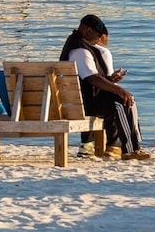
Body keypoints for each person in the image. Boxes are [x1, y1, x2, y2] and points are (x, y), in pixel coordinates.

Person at [61, 15, 149, 160]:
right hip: (84, 104)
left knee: (124, 100)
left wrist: (109, 80)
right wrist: (119, 89)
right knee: (121, 102)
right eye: (98, 36)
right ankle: (129, 150)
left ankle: (124, 147)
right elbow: (92, 78)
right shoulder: (80, 51)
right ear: (88, 31)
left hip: (82, 100)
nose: (98, 40)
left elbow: (89, 78)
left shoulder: (77, 46)